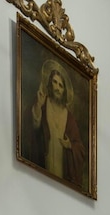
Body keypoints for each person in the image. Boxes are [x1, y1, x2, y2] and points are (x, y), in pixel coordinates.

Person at [29, 60, 85, 188]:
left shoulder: (69, 117)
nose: (57, 88)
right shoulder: (42, 103)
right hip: (43, 164)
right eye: (55, 82)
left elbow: (80, 148)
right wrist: (38, 106)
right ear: (49, 83)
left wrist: (70, 145)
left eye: (61, 85)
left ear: (64, 90)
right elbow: (33, 129)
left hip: (61, 169)